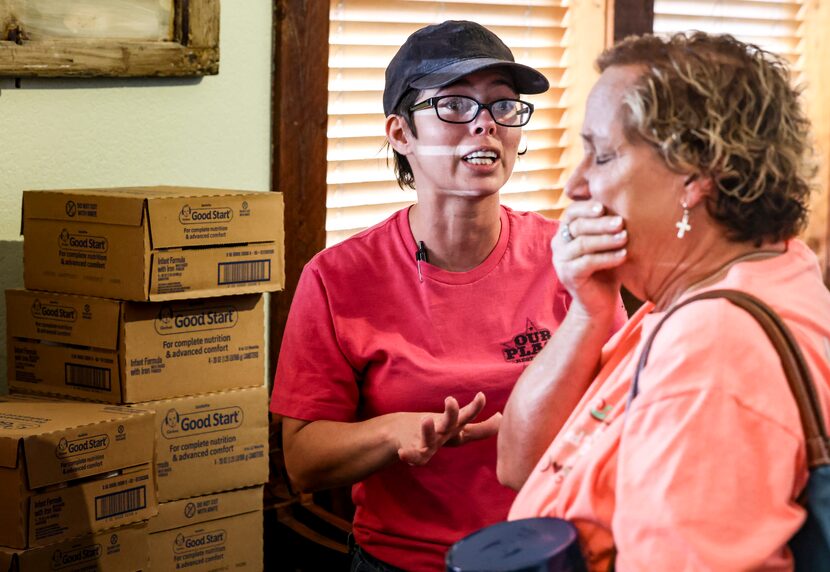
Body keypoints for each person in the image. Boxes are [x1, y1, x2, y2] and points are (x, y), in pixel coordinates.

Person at [270, 20, 625, 571]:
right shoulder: (337, 278)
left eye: (504, 107)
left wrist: (537, 428)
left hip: (552, 550)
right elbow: (303, 462)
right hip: (402, 561)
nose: (485, 125)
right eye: (455, 105)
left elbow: (627, 408)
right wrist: (395, 430)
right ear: (400, 133)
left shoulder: (567, 256)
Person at [498, 31, 830, 570]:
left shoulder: (712, 348)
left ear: (695, 174)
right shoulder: (740, 274)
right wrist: (587, 311)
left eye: (602, 156)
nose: (575, 185)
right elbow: (521, 464)